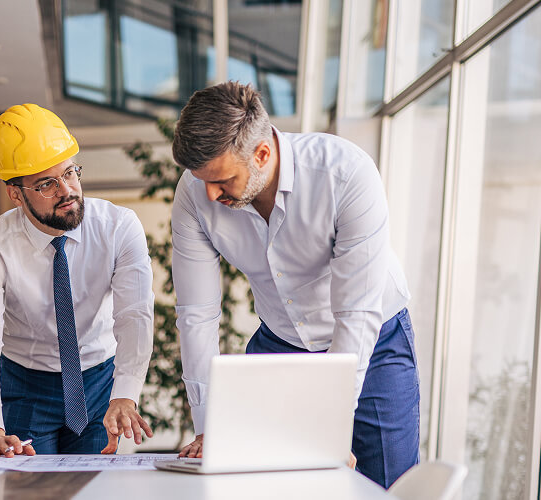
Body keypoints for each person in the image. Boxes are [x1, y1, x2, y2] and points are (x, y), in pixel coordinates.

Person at [170, 82, 419, 488]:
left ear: (262, 154)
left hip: (374, 342)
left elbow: (356, 313)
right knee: (269, 484)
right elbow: (197, 315)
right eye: (202, 181)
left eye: (223, 181)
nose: (210, 195)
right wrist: (206, 424)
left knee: (389, 484)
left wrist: (332, 424)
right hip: (281, 342)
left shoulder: (345, 173)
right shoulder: (195, 192)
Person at [0, 103, 155, 457]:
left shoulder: (118, 227)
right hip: (26, 383)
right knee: (30, 491)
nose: (66, 190)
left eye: (70, 173)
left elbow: (134, 315)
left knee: (97, 489)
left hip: (100, 383)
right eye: (46, 184)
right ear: (15, 193)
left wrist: (125, 394)